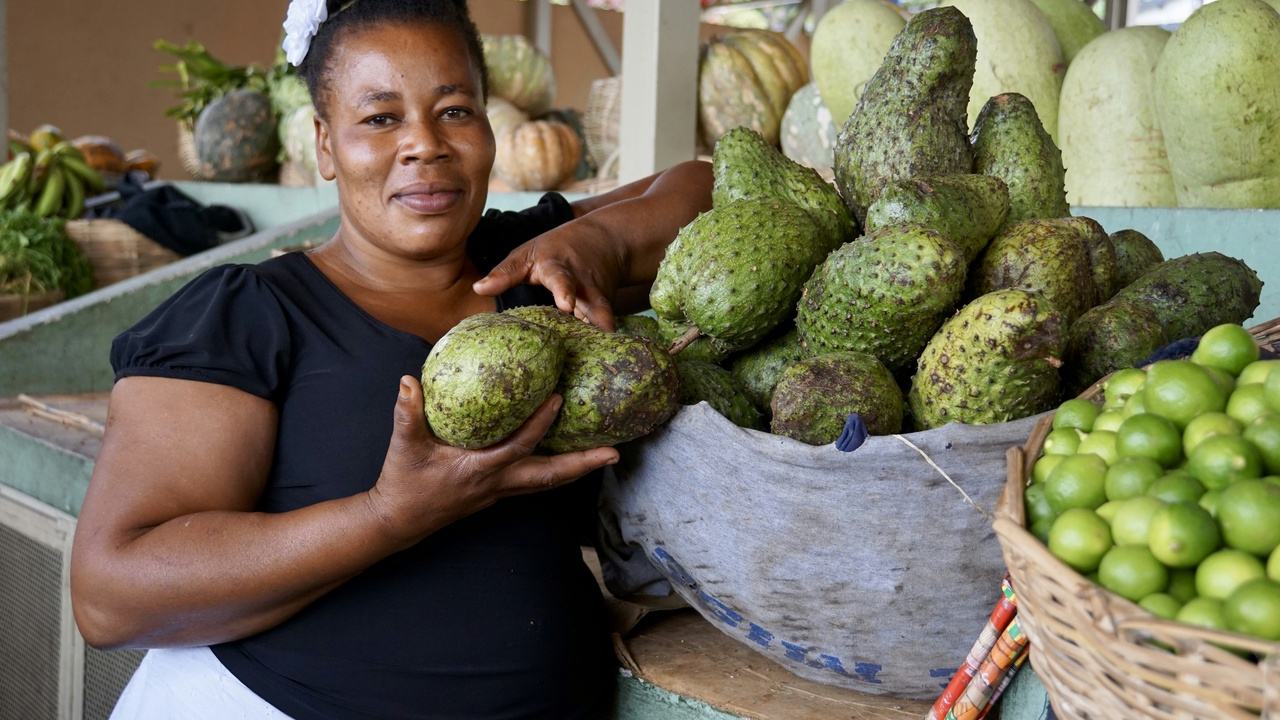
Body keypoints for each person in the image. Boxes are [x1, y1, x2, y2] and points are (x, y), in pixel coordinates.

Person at [68, 0, 713, 717]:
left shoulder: (530, 267)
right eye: (380, 118)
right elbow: (110, 594)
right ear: (323, 144)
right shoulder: (249, 314)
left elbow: (706, 188)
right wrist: (390, 516)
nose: (425, 144)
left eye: (456, 111)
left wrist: (602, 241)